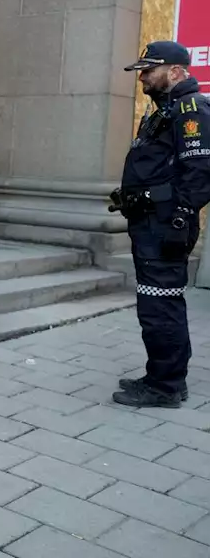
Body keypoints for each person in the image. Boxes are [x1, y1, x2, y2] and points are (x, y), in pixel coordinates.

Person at [111, 40, 211, 408]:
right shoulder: (164, 112)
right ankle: (165, 376)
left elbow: (199, 174)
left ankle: (165, 386)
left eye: (149, 71)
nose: (143, 78)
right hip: (151, 222)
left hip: (165, 224)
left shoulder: (191, 110)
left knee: (160, 304)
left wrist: (179, 221)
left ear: (174, 72)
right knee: (159, 302)